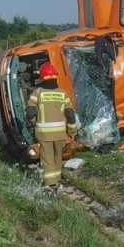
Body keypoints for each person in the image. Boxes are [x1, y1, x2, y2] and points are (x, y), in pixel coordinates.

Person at [25, 62, 80, 191]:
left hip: (44, 133)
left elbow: (30, 113)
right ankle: (57, 180)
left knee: (47, 158)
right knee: (57, 157)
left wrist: (33, 121)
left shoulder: (37, 93)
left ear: (42, 77)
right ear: (55, 76)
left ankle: (51, 185)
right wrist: (72, 131)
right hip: (60, 133)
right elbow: (70, 115)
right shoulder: (62, 93)